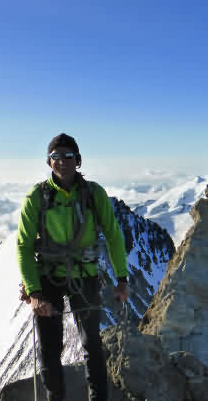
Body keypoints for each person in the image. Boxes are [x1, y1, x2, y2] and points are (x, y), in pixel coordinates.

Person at [17, 133, 129, 401]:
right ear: (49, 161)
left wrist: (122, 279)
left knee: (91, 343)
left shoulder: (94, 193)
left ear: (78, 161)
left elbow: (113, 235)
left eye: (68, 156)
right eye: (56, 156)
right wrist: (34, 292)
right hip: (48, 279)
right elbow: (23, 245)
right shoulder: (37, 196)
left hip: (85, 276)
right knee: (50, 349)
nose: (62, 161)